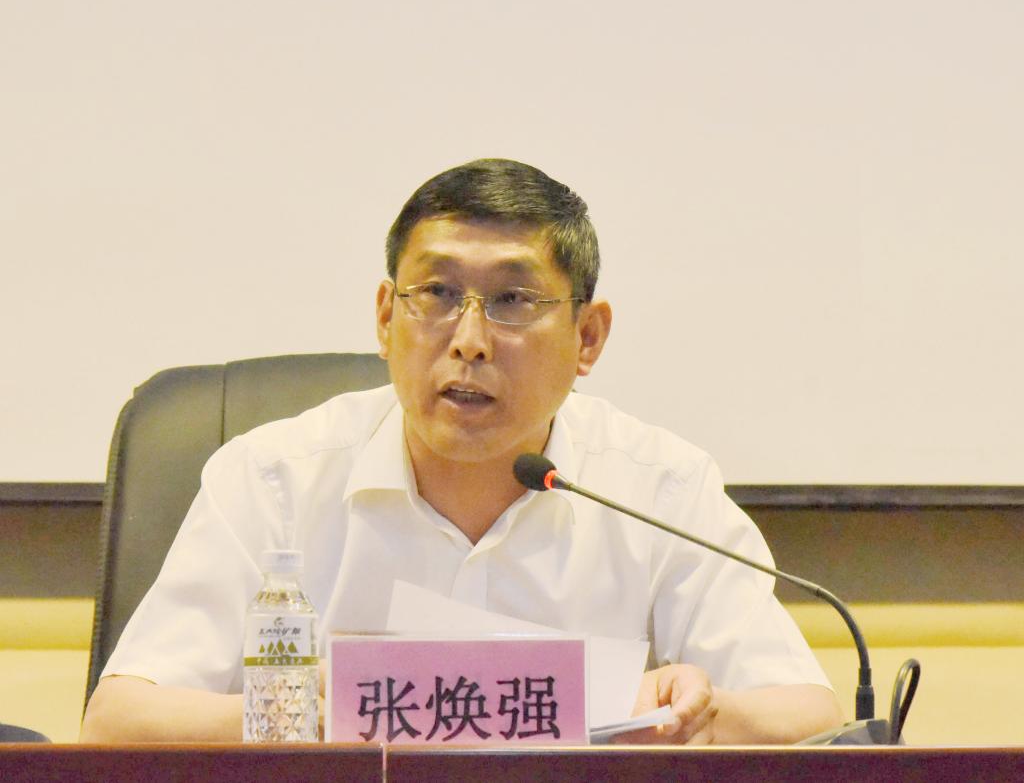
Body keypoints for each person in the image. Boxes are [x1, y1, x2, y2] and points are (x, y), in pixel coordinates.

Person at [80, 158, 842, 744]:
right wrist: (314, 708)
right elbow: (119, 720)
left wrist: (691, 712)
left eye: (513, 300)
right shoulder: (272, 479)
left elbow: (811, 715)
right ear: (387, 318)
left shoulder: (659, 487)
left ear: (587, 336)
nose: (469, 340)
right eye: (438, 294)